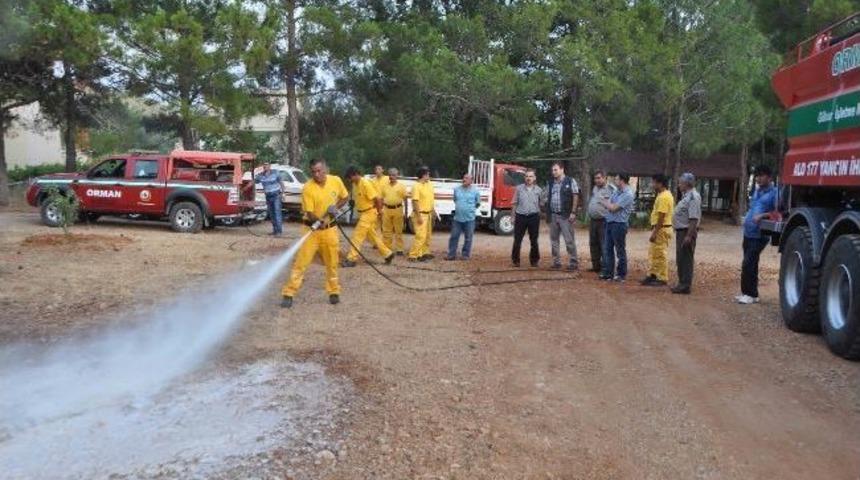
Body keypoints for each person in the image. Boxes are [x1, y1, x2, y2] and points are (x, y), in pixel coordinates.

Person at [281, 158, 349, 308]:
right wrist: (319, 221)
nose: (316, 174)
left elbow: (345, 197)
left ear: (326, 169)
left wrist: (335, 208)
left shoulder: (336, 180)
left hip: (330, 231)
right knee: (301, 263)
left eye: (319, 171)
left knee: (332, 263)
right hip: (311, 231)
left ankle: (334, 291)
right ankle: (289, 293)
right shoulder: (308, 188)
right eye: (313, 172)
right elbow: (310, 213)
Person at [737, 165, 777, 304]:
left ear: (769, 177)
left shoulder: (775, 193)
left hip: (760, 235)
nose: (758, 179)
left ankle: (750, 293)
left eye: (761, 176)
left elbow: (779, 213)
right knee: (751, 263)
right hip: (748, 232)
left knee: (748, 263)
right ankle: (749, 294)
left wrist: (762, 215)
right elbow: (753, 207)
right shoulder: (757, 191)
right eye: (757, 176)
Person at [343, 166, 395, 267]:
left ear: (355, 174)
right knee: (373, 237)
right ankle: (388, 254)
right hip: (362, 213)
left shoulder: (365, 183)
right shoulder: (355, 184)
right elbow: (357, 197)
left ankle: (352, 259)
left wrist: (379, 211)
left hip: (369, 213)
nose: (349, 180)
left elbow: (377, 199)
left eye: (350, 177)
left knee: (357, 236)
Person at [544, 162, 579, 271]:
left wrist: (573, 212)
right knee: (554, 240)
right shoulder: (550, 183)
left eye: (555, 170)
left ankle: (573, 262)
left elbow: (575, 196)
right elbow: (546, 197)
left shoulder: (570, 181)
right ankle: (556, 262)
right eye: (552, 170)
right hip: (553, 215)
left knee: (569, 240)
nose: (553, 172)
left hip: (566, 215)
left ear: (562, 169)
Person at [599, 173, 635, 282]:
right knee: (607, 249)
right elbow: (610, 204)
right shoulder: (616, 191)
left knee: (620, 250)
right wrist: (608, 204)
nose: (615, 181)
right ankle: (608, 273)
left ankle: (621, 274)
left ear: (622, 180)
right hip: (610, 222)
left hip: (619, 224)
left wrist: (604, 202)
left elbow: (614, 208)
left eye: (616, 179)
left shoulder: (628, 194)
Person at [641, 174, 674, 287]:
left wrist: (655, 232)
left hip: (662, 229)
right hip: (659, 228)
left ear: (660, 183)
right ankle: (653, 274)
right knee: (654, 253)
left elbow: (661, 217)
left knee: (660, 254)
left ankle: (662, 277)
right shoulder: (662, 195)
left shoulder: (664, 197)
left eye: (654, 182)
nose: (652, 184)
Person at [672, 172, 702, 294]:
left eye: (680, 183)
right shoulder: (687, 196)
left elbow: (694, 218)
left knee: (686, 258)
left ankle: (685, 285)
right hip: (681, 231)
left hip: (686, 231)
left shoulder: (693, 197)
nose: (679, 185)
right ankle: (682, 283)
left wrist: (689, 235)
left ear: (686, 183)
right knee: (681, 258)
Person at [511, 169, 542, 267]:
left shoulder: (539, 190)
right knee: (517, 240)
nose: (529, 178)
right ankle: (515, 260)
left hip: (534, 217)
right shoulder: (519, 189)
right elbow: (514, 203)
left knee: (534, 240)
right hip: (520, 217)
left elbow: (541, 204)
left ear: (534, 178)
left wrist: (540, 215)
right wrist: (513, 217)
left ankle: (534, 260)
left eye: (531, 176)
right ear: (524, 178)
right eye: (527, 176)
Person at [446, 173, 481, 260]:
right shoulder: (456, 189)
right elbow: (455, 200)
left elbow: (478, 203)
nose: (464, 179)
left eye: (467, 178)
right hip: (457, 218)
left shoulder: (475, 191)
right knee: (454, 237)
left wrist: (469, 209)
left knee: (468, 238)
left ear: (471, 181)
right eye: (464, 177)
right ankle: (451, 255)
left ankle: (465, 255)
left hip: (470, 219)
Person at [586, 170, 615, 273]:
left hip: (604, 221)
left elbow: (615, 204)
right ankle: (596, 266)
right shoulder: (595, 188)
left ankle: (606, 268)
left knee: (604, 244)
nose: (596, 180)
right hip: (593, 220)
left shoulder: (611, 189)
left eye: (599, 178)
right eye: (595, 178)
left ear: (605, 178)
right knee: (593, 243)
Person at [408, 166, 435, 262]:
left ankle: (424, 252)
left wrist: (433, 211)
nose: (429, 176)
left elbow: (431, 199)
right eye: (428, 174)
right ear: (423, 175)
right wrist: (418, 216)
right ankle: (413, 255)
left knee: (427, 236)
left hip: (429, 213)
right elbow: (415, 202)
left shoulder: (429, 184)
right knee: (420, 236)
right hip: (420, 214)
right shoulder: (416, 186)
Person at [380, 168, 408, 255]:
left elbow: (405, 199)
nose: (391, 177)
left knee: (398, 231)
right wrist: (380, 210)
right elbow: (381, 199)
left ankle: (399, 249)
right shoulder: (384, 186)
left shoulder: (401, 186)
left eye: (393, 175)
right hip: (386, 210)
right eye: (390, 175)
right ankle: (387, 248)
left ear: (397, 176)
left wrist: (406, 212)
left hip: (398, 209)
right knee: (386, 231)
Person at [254, 163, 283, 236]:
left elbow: (281, 183)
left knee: (277, 213)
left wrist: (283, 193)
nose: (265, 167)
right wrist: (245, 188)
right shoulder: (260, 175)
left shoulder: (276, 173)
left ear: (270, 166)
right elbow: (254, 181)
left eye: (267, 165)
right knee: (271, 214)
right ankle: (275, 230)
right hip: (268, 196)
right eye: (264, 166)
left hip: (276, 195)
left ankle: (279, 231)